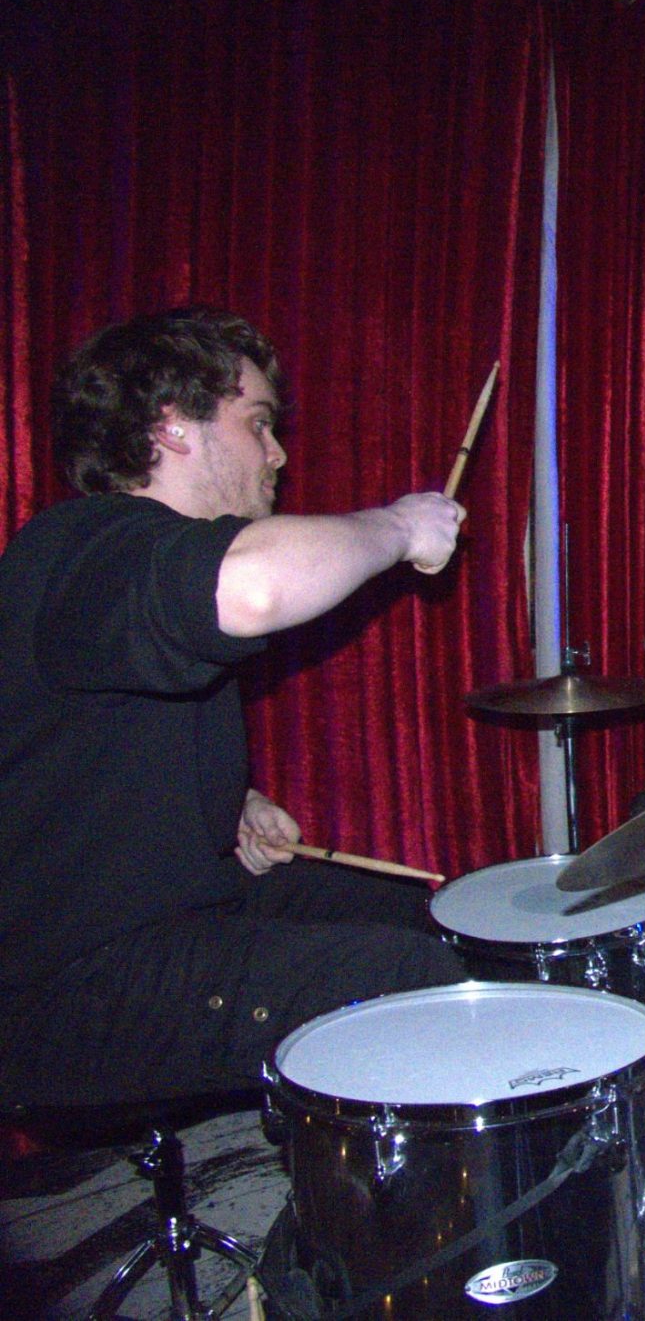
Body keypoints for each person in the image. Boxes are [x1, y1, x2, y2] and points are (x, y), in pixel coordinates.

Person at [0, 308, 470, 1108]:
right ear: (171, 427)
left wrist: (229, 806)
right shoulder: (84, 543)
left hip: (178, 909)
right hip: (67, 983)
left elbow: (84, 753)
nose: (277, 453)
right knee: (408, 977)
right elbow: (252, 588)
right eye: (256, 423)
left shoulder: (125, 562)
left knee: (431, 919)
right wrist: (398, 526)